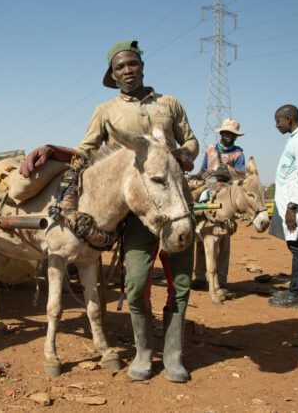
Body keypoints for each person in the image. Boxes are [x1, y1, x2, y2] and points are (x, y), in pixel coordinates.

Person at [20, 40, 199, 382]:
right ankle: (145, 352)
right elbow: (86, 150)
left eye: (132, 64)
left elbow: (190, 140)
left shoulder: (169, 104)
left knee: (180, 280)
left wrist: (186, 155)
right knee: (135, 282)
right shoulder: (106, 111)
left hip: (174, 199)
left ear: (142, 66)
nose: (128, 70)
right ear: (113, 75)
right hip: (135, 211)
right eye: (120, 67)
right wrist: (53, 150)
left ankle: (174, 355)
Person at [268, 104, 298, 308]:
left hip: (294, 204)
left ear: (289, 119)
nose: (276, 125)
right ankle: (295, 290)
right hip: (291, 203)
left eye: (278, 121)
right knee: (295, 245)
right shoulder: (296, 139)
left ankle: (296, 295)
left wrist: (292, 206)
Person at [192, 118, 246, 291]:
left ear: (236, 137)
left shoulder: (238, 154)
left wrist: (226, 174)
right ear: (221, 133)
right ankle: (199, 277)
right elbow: (203, 170)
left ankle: (221, 279)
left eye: (233, 134)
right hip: (207, 192)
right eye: (226, 133)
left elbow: (240, 176)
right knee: (201, 234)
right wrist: (194, 177)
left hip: (226, 197)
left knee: (223, 239)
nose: (229, 137)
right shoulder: (210, 149)